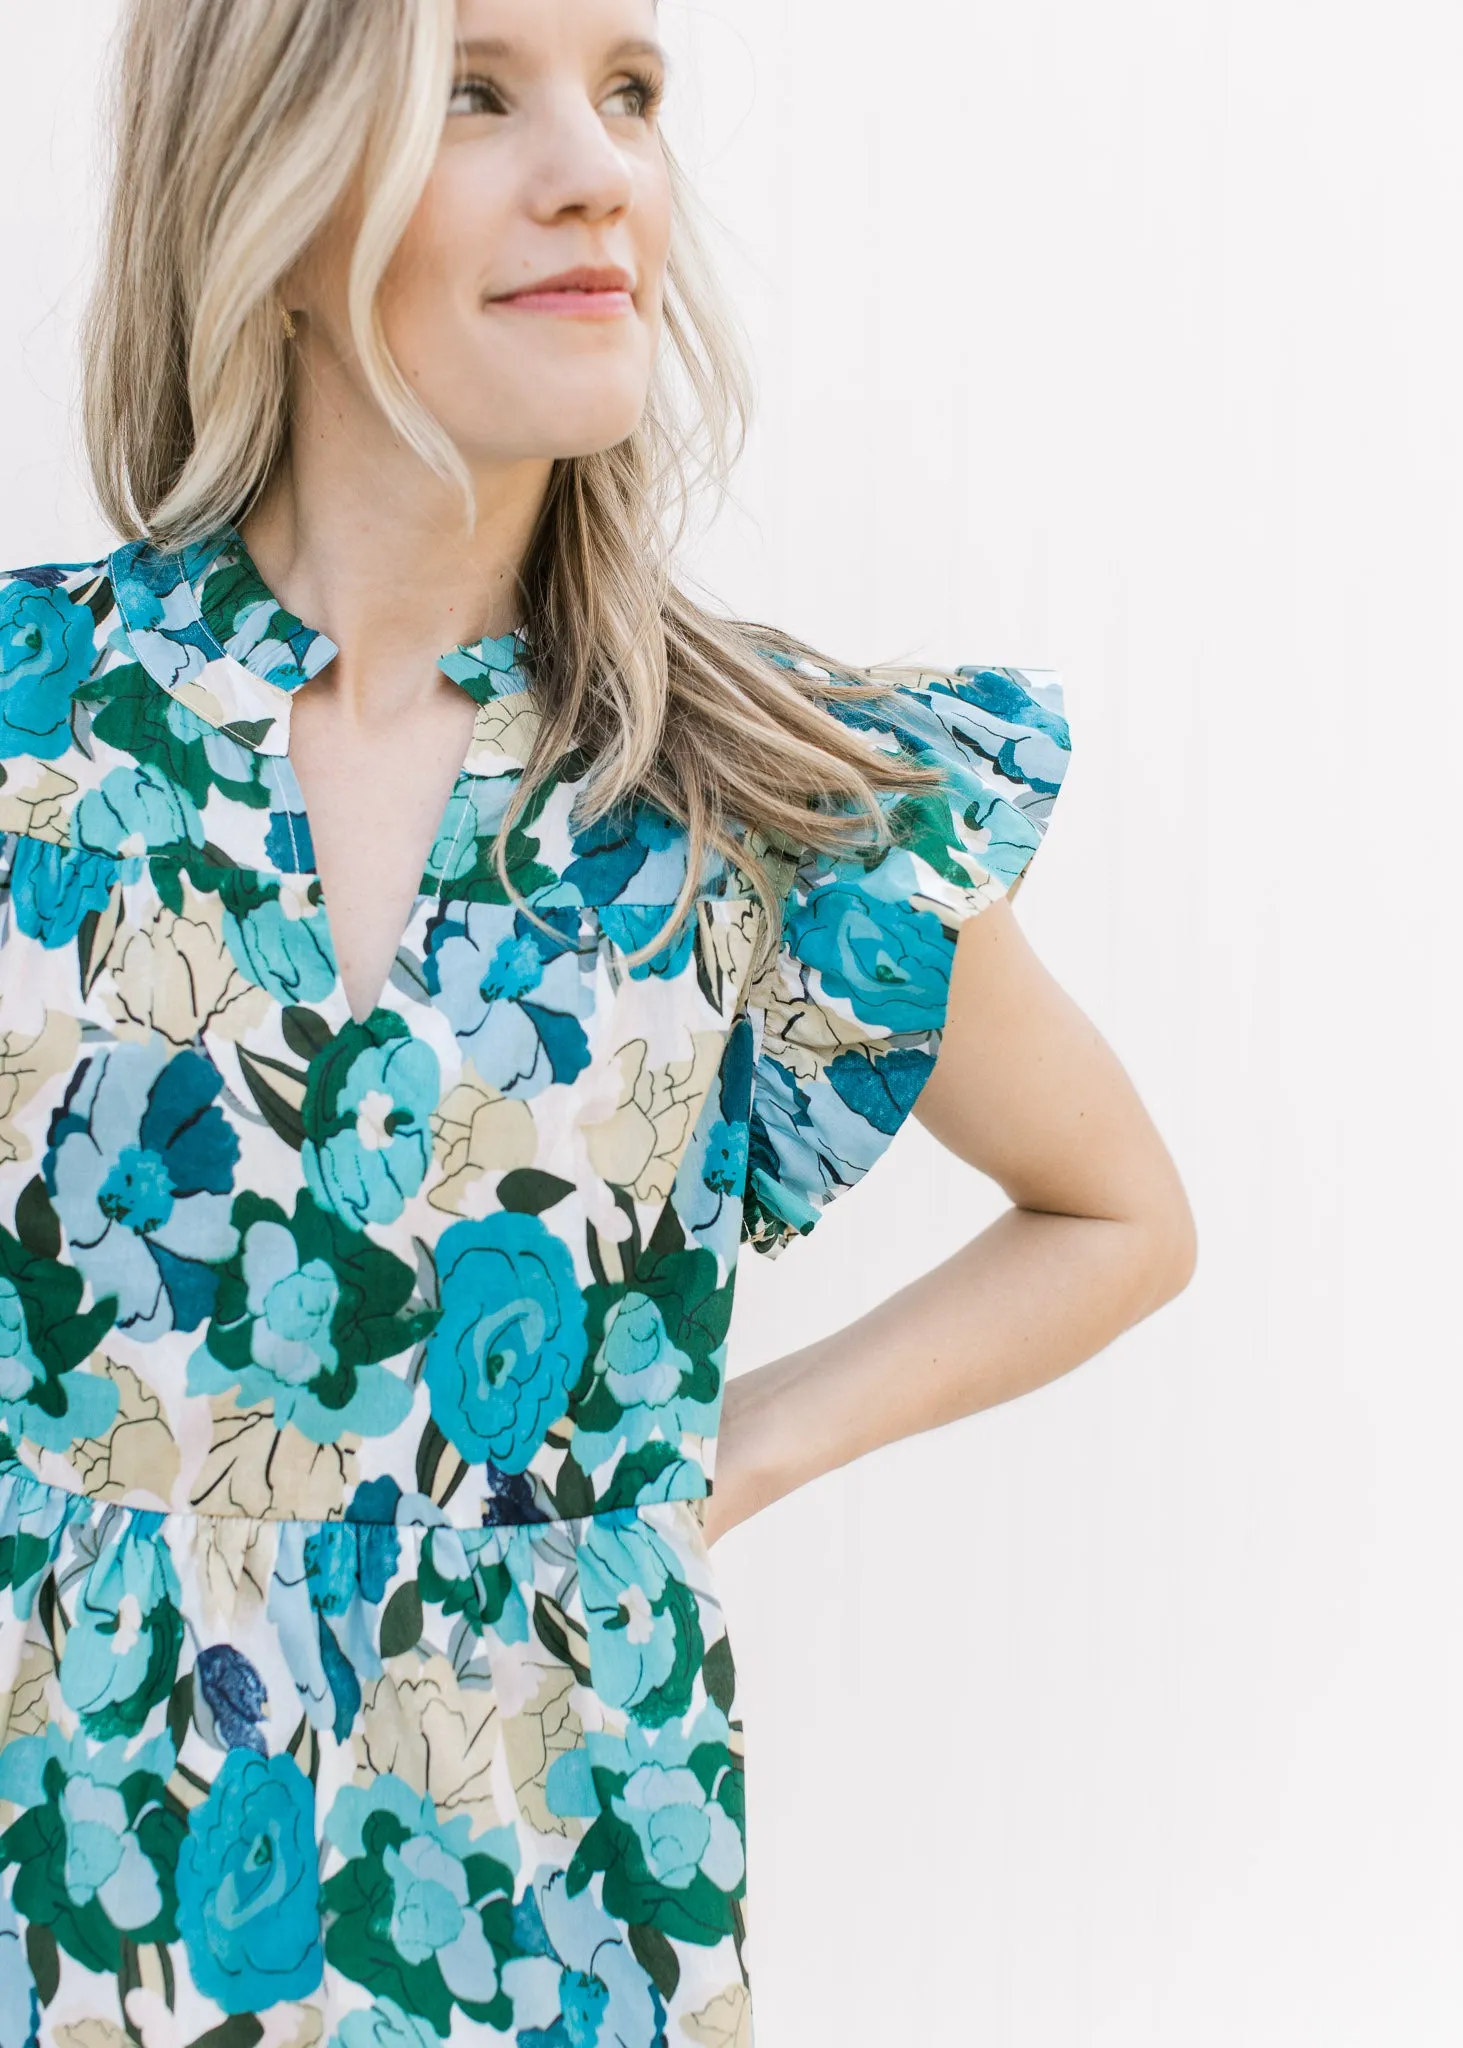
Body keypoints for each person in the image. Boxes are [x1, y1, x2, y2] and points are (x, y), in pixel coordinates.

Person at [0, 1, 1196, 2042]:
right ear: (271, 190)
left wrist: (722, 1463)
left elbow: (1115, 1215)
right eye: (475, 91)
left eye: (628, 92)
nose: (600, 168)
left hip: (550, 1929)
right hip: (74, 1900)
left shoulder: (755, 804)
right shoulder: (39, 734)